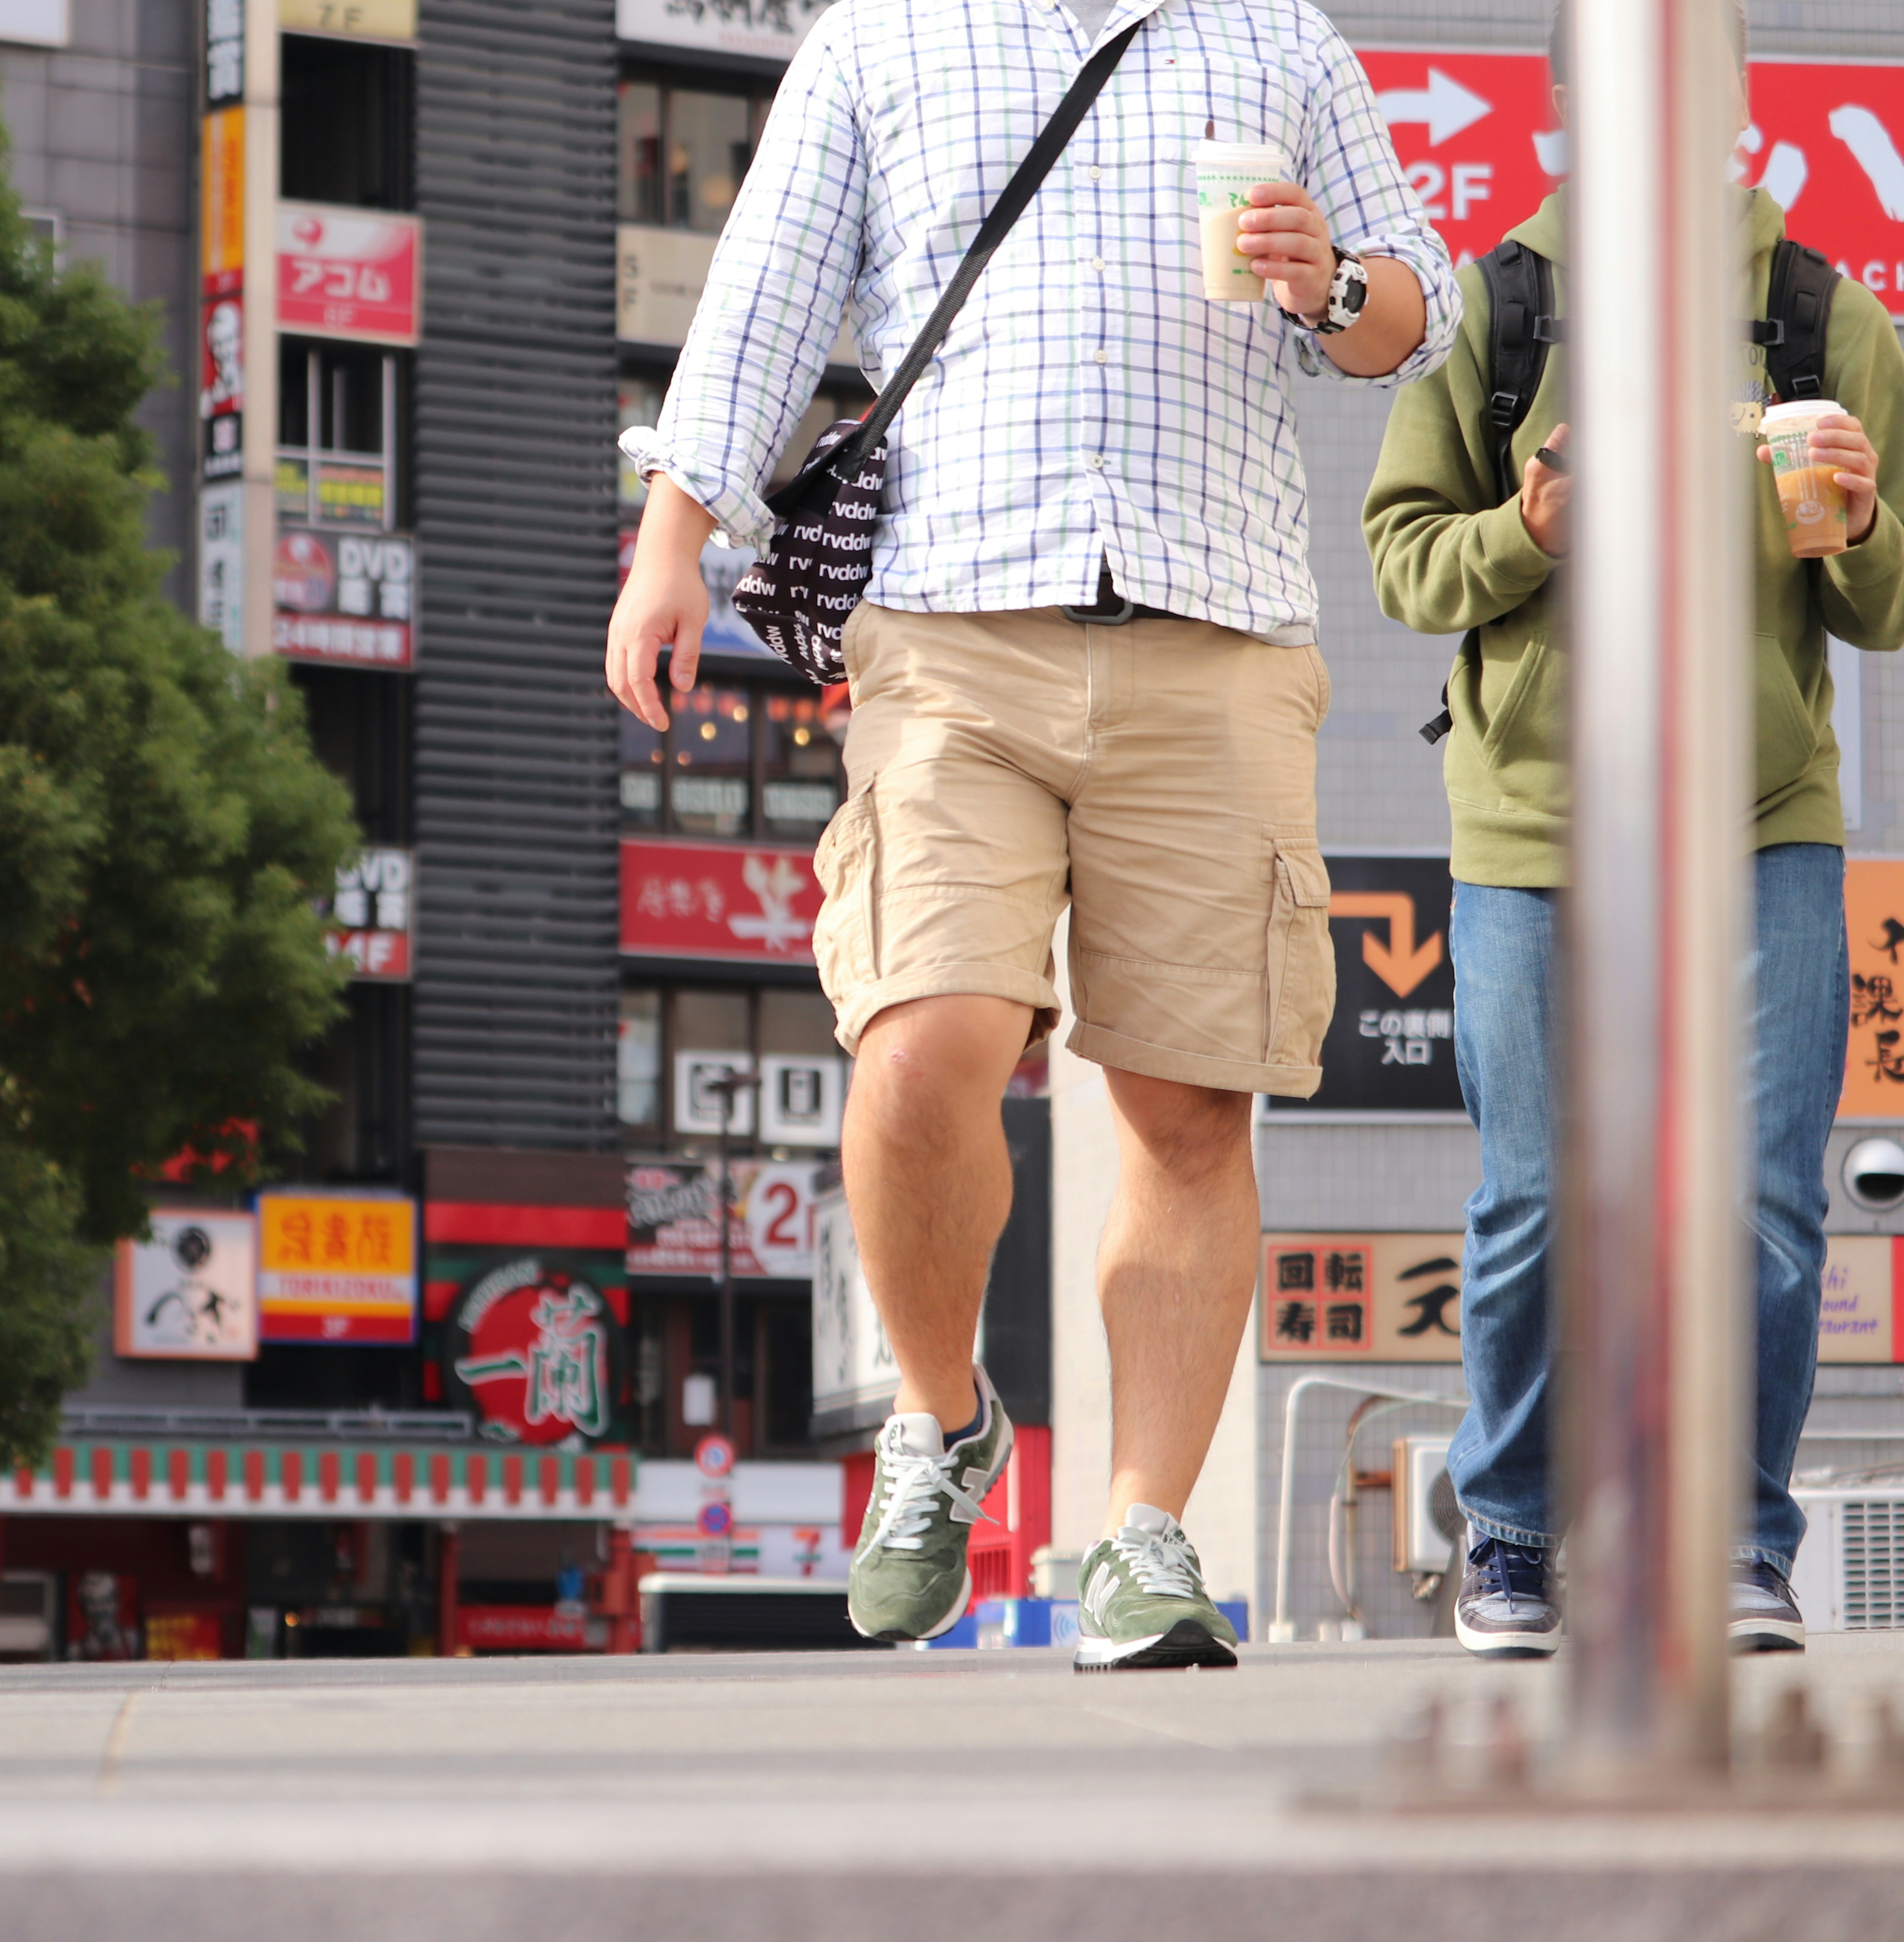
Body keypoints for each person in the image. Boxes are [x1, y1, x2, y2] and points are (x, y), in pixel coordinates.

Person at [610, 0, 1455, 1667]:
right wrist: (669, 546)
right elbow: (766, 298)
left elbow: (1410, 318)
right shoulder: (882, 37)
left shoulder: (1277, 34)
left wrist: (1330, 284)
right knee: (924, 1043)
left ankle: (1141, 1542)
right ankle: (939, 1424)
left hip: (1215, 627)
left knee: (1186, 1106)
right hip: (948, 626)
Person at [1364, 2, 1903, 1658]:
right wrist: (1526, 531)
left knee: (1760, 1197)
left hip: (1762, 817)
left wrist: (1862, 523)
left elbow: (1887, 612)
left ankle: (1737, 1541)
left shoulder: (1819, 309)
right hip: (1533, 823)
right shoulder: (1497, 303)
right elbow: (1404, 561)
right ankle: (1514, 1538)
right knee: (1535, 1198)